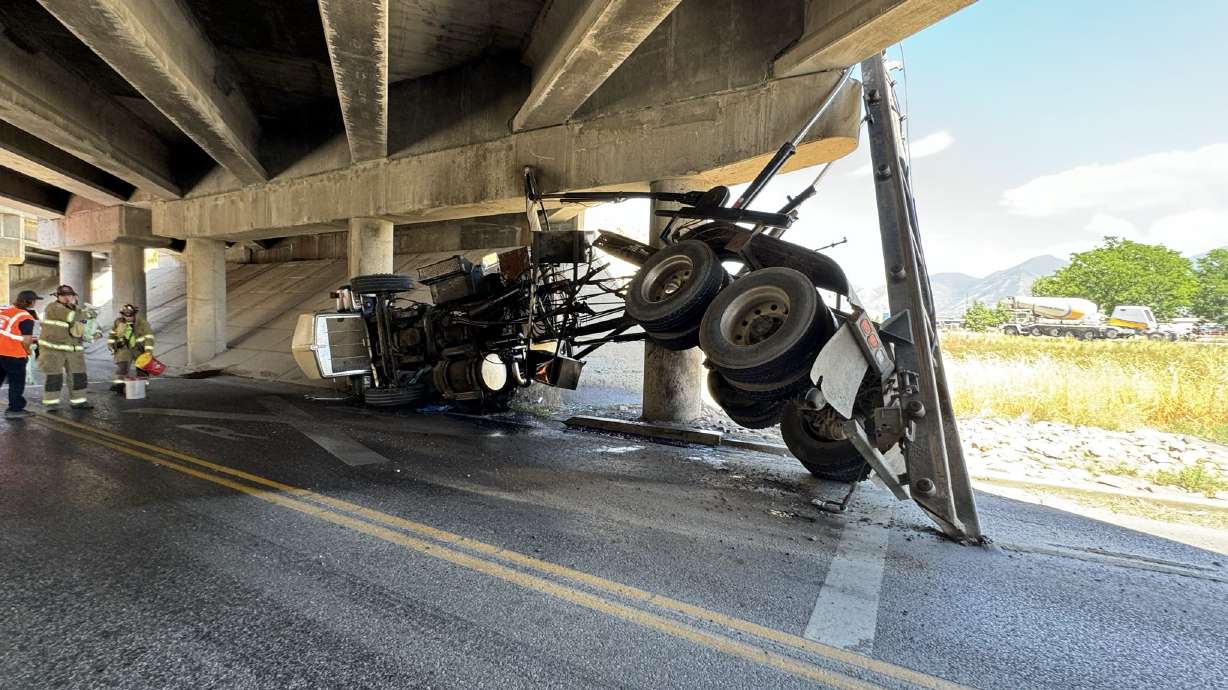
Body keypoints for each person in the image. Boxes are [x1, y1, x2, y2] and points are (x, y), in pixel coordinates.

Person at [39, 284, 92, 410]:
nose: (67, 298)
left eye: (69, 295)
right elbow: (71, 317)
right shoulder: (53, 307)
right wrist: (89, 314)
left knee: (78, 375)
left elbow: (84, 324)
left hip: (74, 350)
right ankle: (51, 403)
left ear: (73, 296)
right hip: (53, 350)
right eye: (63, 296)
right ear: (58, 297)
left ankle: (79, 401)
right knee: (54, 376)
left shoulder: (76, 309)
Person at [0, 290, 40, 419]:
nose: (35, 302)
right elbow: (27, 340)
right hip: (13, 354)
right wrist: (28, 351)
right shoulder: (26, 317)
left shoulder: (7, 311)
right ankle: (15, 409)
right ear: (30, 302)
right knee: (16, 382)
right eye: (35, 300)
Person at [108, 303, 154, 394]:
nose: (128, 318)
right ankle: (119, 386)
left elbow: (149, 337)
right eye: (126, 315)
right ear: (122, 314)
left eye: (131, 315)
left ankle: (142, 385)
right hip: (124, 348)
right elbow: (112, 334)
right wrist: (111, 344)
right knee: (122, 367)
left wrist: (148, 351)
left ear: (134, 314)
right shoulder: (118, 322)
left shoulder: (142, 323)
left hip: (139, 349)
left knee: (143, 368)